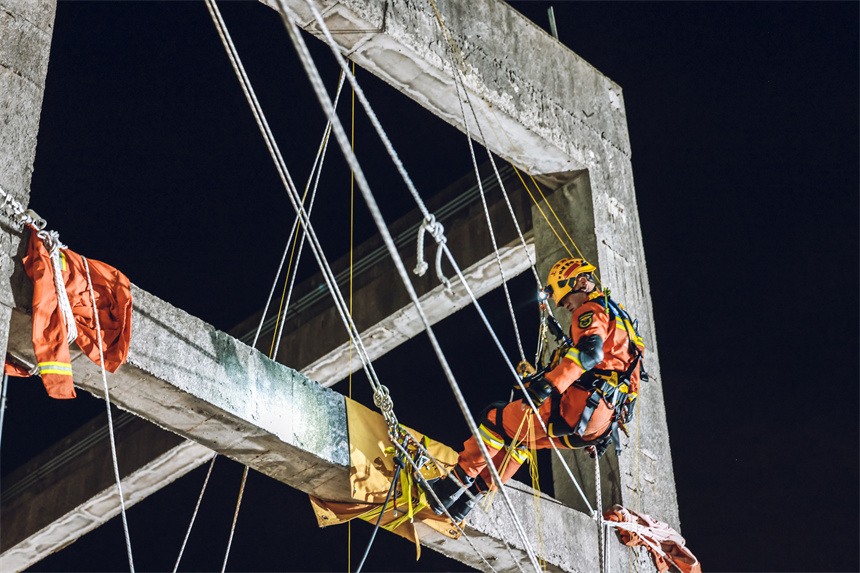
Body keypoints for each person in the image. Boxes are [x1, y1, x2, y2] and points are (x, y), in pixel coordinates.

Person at [426, 258, 645, 521]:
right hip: (597, 424)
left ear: (581, 282)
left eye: (566, 299)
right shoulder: (623, 322)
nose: (564, 306)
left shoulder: (591, 309)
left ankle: (447, 489)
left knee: (494, 420)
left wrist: (548, 385)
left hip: (578, 408)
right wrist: (606, 432)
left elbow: (590, 352)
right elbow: (631, 385)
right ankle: (465, 504)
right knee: (518, 440)